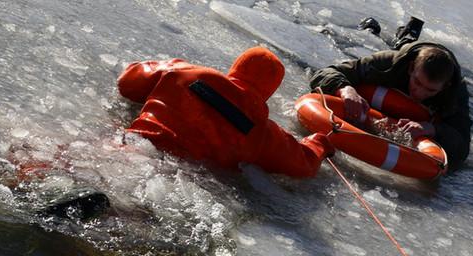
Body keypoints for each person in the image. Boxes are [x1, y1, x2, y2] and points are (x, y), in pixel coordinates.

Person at [118, 46, 335, 178]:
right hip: (176, 174)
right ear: (268, 92)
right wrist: (319, 143)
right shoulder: (261, 132)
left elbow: (128, 81)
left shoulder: (181, 71)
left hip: (130, 146)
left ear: (236, 67)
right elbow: (302, 165)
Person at [309, 41, 472, 170]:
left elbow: (462, 148)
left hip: (429, 116)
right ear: (411, 69)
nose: (419, 93)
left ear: (444, 87)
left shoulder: (455, 94)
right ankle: (405, 37)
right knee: (403, 44)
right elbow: (325, 72)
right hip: (405, 57)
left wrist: (432, 129)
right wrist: (345, 89)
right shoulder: (388, 64)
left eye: (430, 90)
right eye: (417, 82)